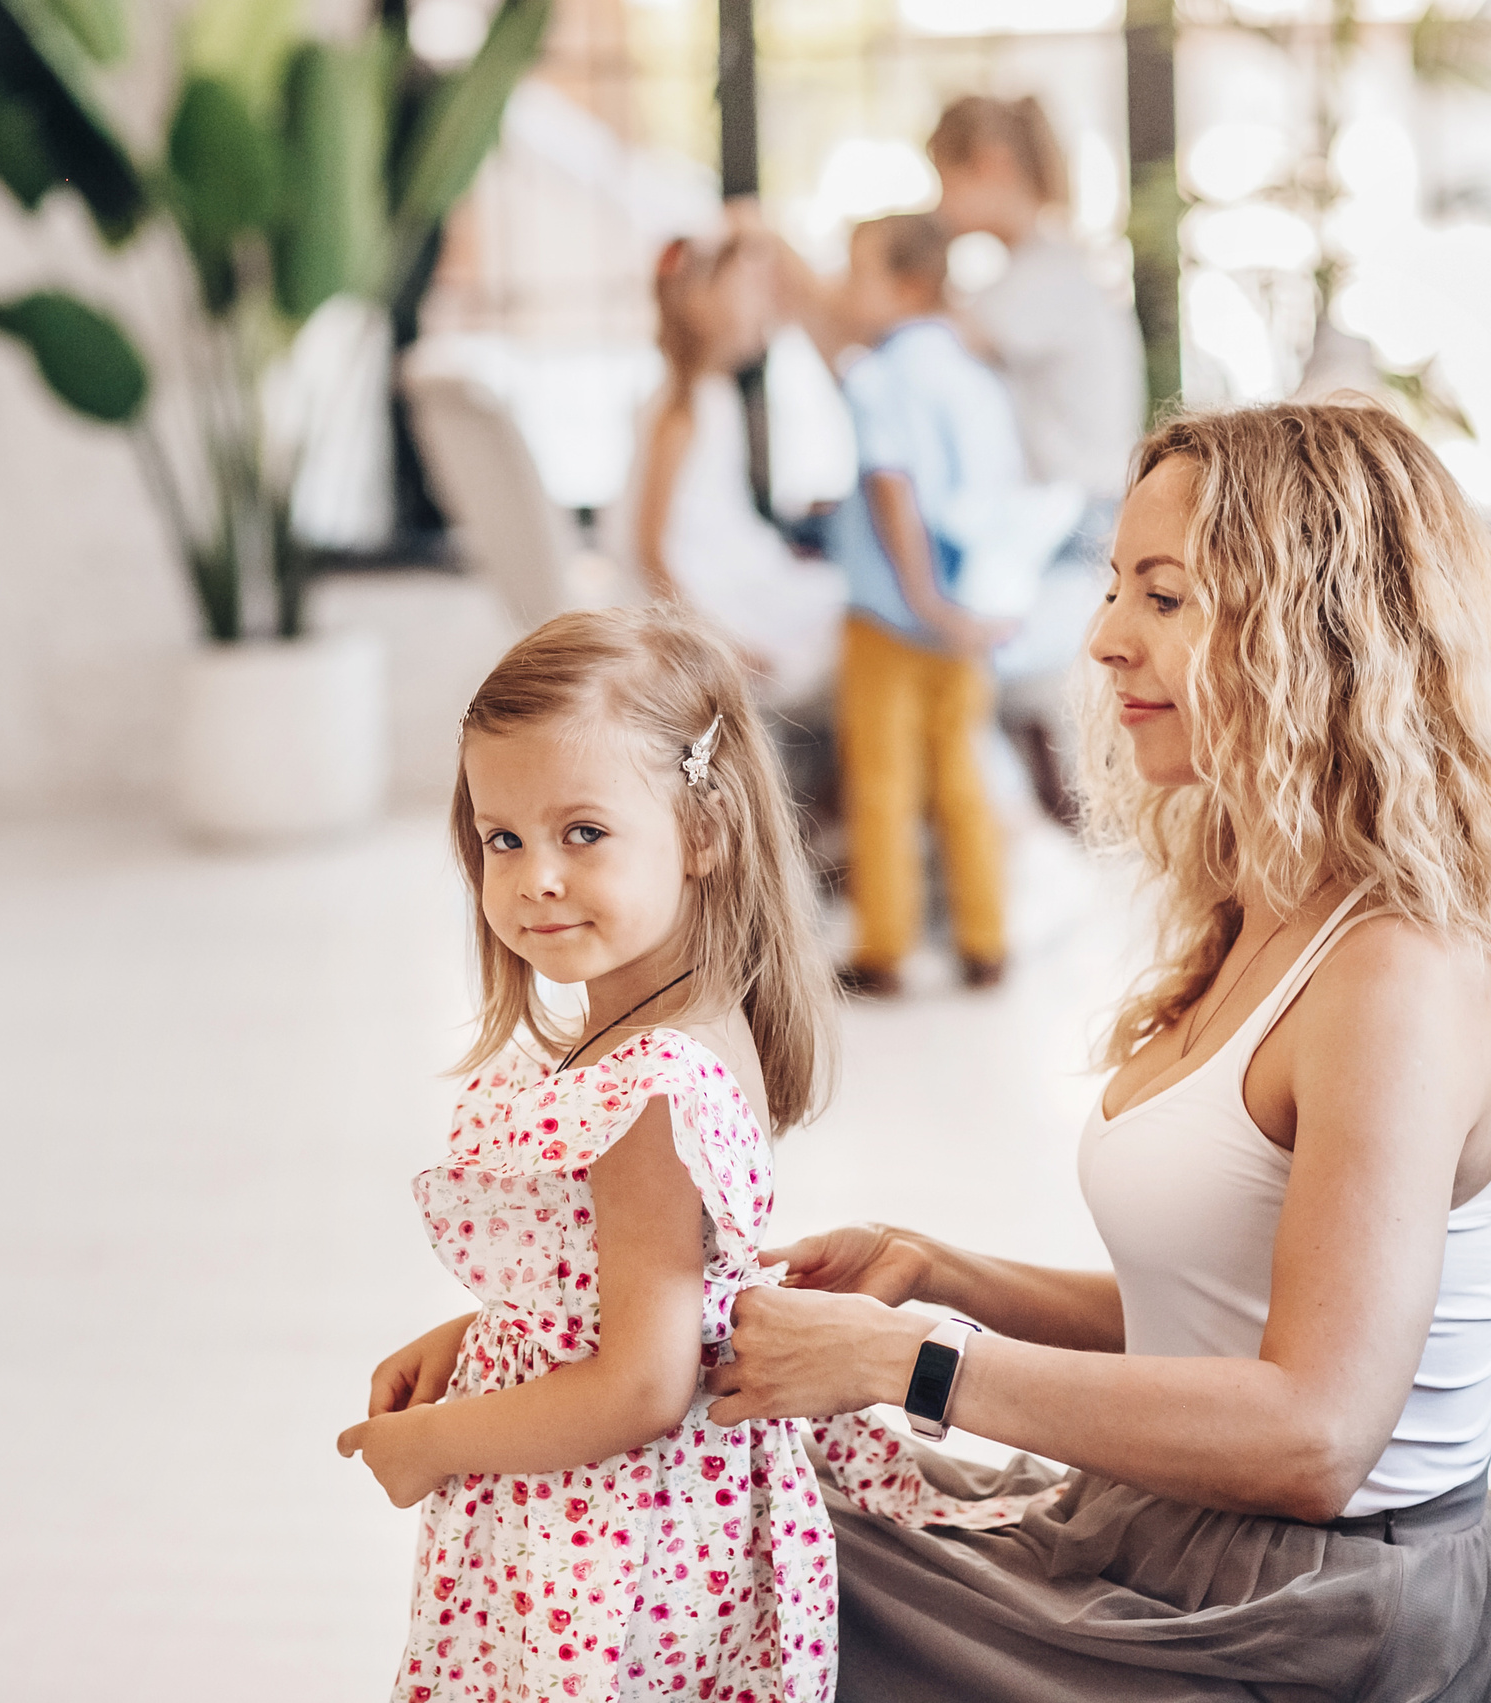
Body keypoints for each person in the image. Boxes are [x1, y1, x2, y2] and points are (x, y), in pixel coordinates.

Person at [701, 402, 1491, 1700]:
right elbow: (1222, 1313)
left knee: (725, 1552)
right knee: (714, 1478)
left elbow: (1314, 1431)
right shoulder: (1270, 900)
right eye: (1113, 587)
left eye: (1165, 594)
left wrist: (905, 1360)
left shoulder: (1399, 974)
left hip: (1329, 1617)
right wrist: (938, 1272)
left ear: (1318, 626)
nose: (1103, 638)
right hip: (1199, 1541)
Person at [337, 605, 1054, 1703]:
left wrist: (436, 1442)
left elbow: (639, 1380)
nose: (536, 876)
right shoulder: (684, 1022)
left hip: (612, 1533)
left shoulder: (644, 1090)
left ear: (702, 830)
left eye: (584, 831)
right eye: (503, 837)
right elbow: (654, 1280)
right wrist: (485, 1331)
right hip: (666, 1512)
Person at [818, 213, 1031, 997]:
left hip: (893, 617)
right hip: (970, 614)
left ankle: (886, 946)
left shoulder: (881, 376)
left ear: (906, 287)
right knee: (964, 773)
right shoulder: (971, 373)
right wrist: (967, 607)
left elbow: (892, 488)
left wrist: (921, 597)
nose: (843, 290)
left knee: (883, 782)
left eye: (856, 273)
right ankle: (986, 939)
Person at [608, 233, 848, 701]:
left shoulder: (714, 394)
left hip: (733, 563)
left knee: (839, 599)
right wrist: (712, 640)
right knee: (840, 617)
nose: (763, 307)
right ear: (701, 307)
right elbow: (648, 546)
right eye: (747, 291)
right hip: (699, 588)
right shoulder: (680, 411)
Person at [928, 94, 1145, 503]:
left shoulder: (1052, 272)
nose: (939, 205)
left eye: (945, 180)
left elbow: (938, 331)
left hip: (1084, 506)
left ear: (992, 163)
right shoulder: (1044, 263)